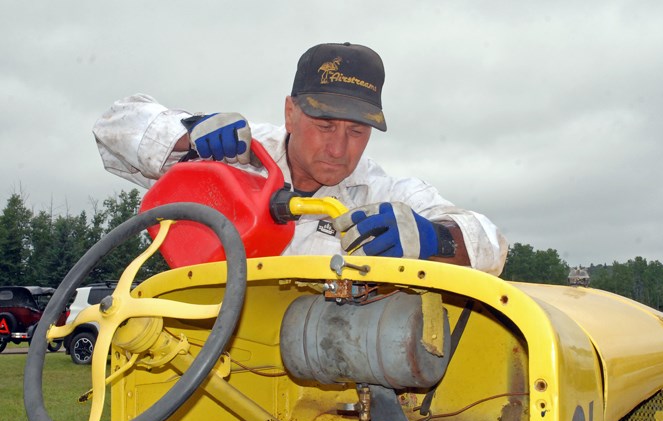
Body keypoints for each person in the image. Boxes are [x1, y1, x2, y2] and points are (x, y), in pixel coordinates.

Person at [93, 42, 508, 275]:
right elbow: (114, 126)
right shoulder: (232, 158)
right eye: (326, 125)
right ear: (290, 112)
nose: (339, 148)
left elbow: (491, 244)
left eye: (357, 131)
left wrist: (437, 237)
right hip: (205, 359)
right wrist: (187, 134)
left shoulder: (382, 194)